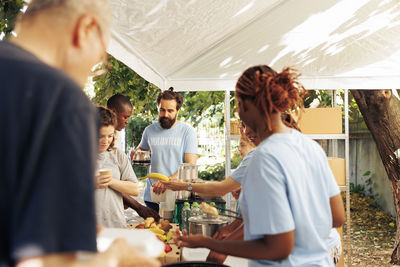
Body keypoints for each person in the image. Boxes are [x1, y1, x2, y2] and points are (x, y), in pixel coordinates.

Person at [0, 0, 159, 266]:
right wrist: (116, 258)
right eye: (99, 60)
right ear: (85, 28)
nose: (89, 74)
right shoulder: (59, 96)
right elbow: (50, 262)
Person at [174, 65, 345, 267]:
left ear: (248, 105)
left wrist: (209, 243)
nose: (238, 111)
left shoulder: (263, 158)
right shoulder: (310, 147)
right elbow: (337, 217)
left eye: (238, 103)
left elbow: (278, 248)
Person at [131, 87, 198, 212]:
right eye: (162, 110)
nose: (165, 115)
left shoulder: (187, 132)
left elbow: (190, 165)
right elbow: (142, 150)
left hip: (177, 197)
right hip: (152, 195)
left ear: (178, 110)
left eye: (170, 111)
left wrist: (167, 182)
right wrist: (135, 152)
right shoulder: (149, 130)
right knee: (153, 230)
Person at [106, 94, 160, 221]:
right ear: (113, 112)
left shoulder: (116, 147)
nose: (127, 121)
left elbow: (130, 187)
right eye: (125, 117)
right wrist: (138, 207)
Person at [95, 107, 139, 228]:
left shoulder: (118, 155)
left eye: (110, 136)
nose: (106, 141)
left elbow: (134, 189)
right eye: (100, 136)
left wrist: (110, 181)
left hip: (116, 225)